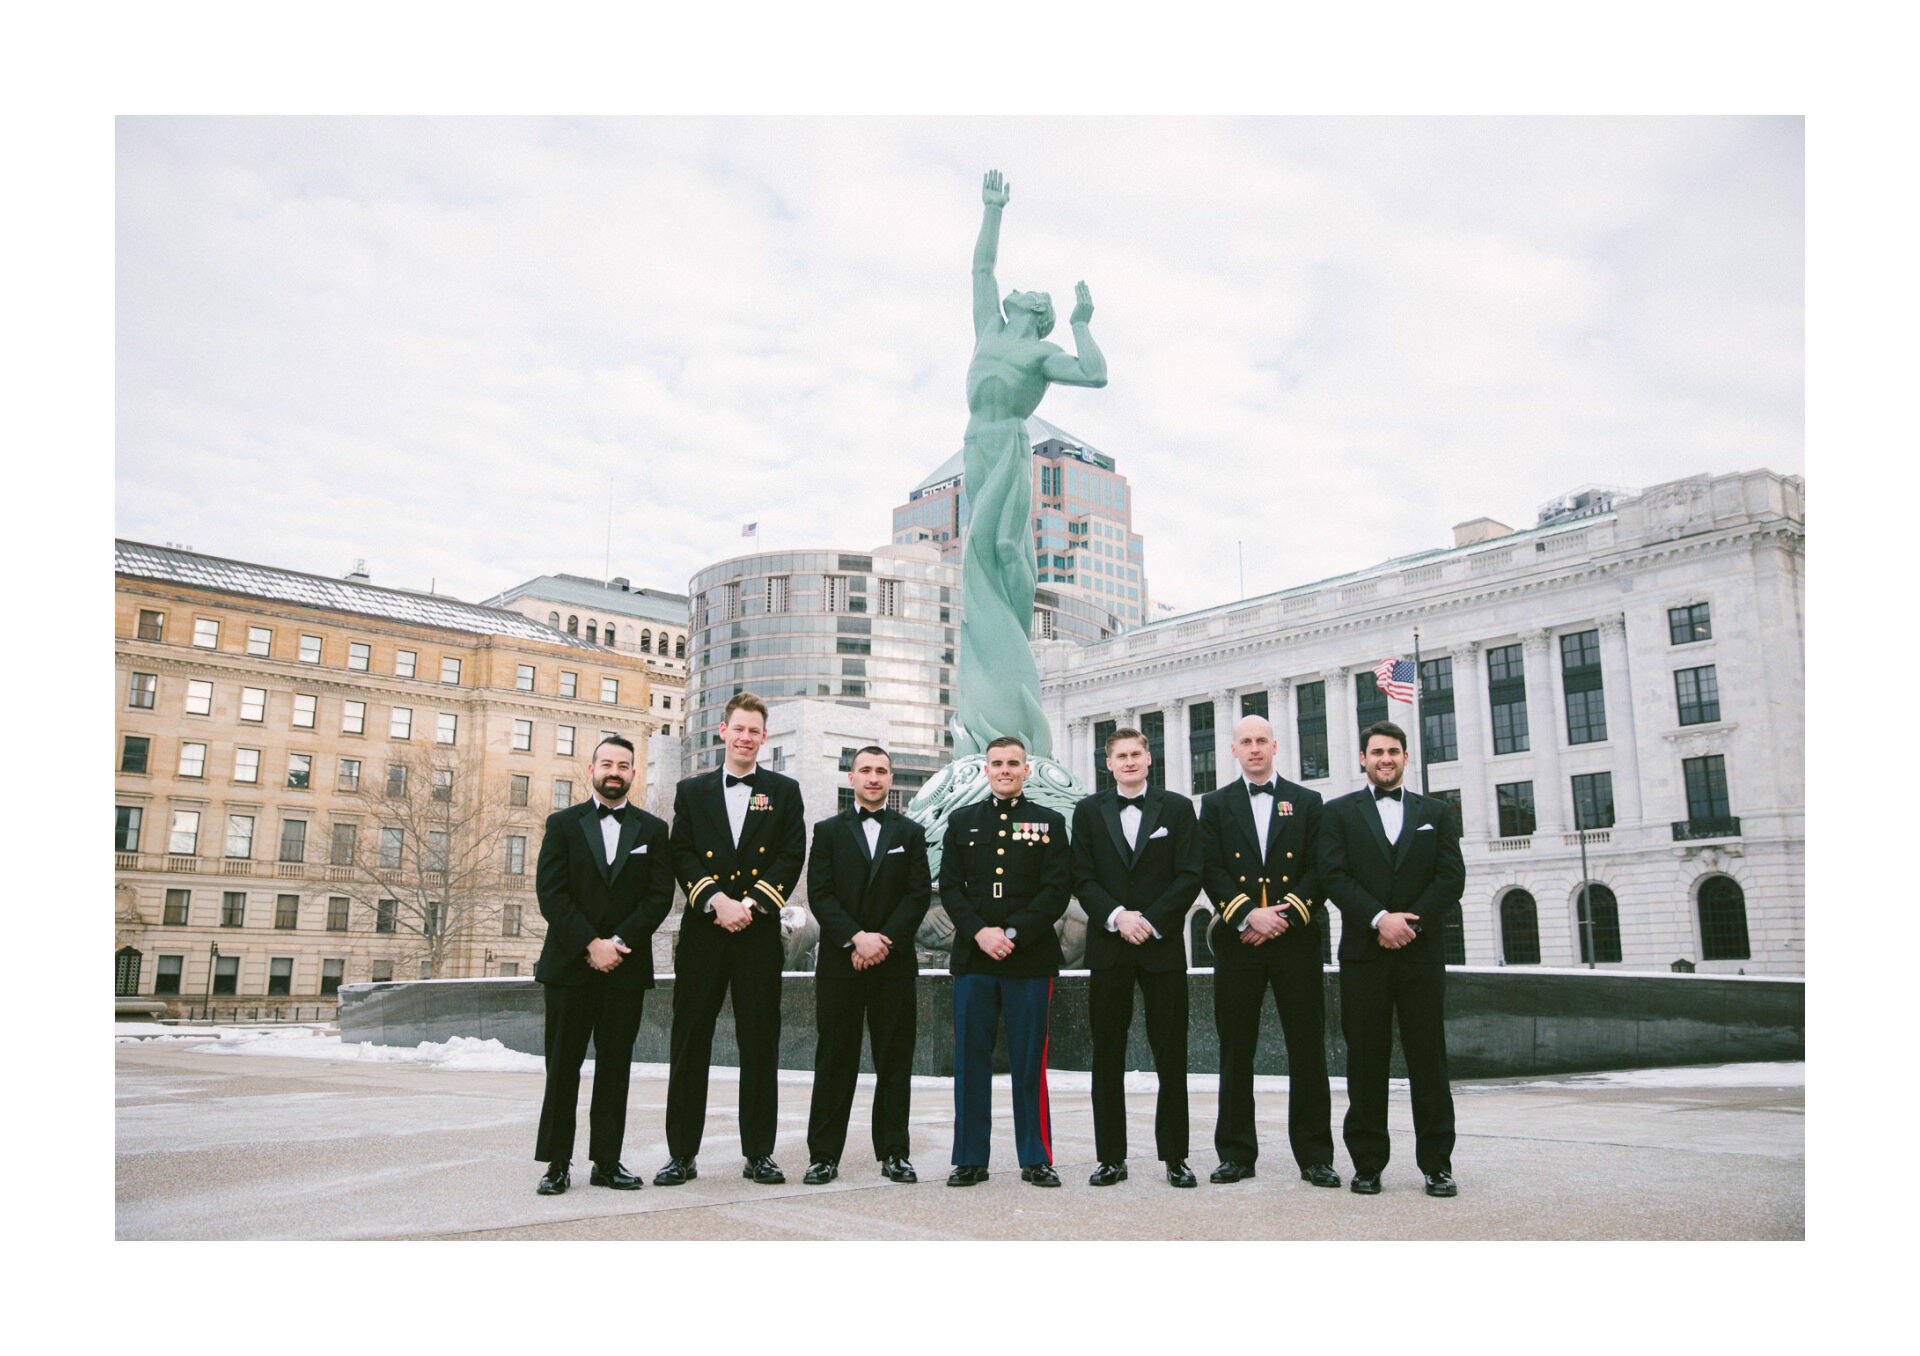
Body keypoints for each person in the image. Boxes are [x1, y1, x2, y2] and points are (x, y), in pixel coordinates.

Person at [952, 169, 1107, 759]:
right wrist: (993, 211)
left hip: (1012, 446)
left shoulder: (1041, 352)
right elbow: (981, 271)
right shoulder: (988, 328)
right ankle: (991, 674)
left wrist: (1082, 324)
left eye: (1036, 297)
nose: (1027, 291)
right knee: (975, 556)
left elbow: (1095, 374)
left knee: (1008, 549)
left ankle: (1016, 637)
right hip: (977, 443)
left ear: (1039, 313)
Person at [657, 692, 806, 1187]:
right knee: (689, 1043)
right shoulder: (691, 791)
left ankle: (759, 1153)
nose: (745, 738)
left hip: (758, 934)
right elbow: (681, 853)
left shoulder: (784, 791)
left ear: (764, 738)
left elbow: (790, 854)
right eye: (738, 729)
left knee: (760, 1045)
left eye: (754, 731)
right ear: (722, 731)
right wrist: (715, 900)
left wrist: (753, 904)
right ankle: (681, 1154)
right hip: (704, 933)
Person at [1318, 720, 1465, 1197]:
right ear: (1363, 758)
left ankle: (1437, 1164)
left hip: (1421, 956)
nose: (1386, 758)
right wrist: (1379, 919)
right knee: (1365, 1062)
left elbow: (1451, 878)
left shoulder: (1437, 813)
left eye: (1394, 751)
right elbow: (1334, 877)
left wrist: (1410, 922)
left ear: (1405, 757)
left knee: (1429, 1061)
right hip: (1364, 955)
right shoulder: (1338, 813)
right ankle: (1367, 1164)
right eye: (1377, 751)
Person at [1196, 715, 1340, 1189]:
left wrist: (1283, 916)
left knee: (1307, 1049)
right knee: (1237, 1050)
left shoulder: (1307, 801)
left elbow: (1321, 868)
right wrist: (1244, 915)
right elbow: (1210, 868)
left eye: (1261, 741)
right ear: (1233, 750)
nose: (1254, 749)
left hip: (1294, 940)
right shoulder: (1215, 805)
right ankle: (1236, 1153)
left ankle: (1316, 1156)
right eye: (1246, 742)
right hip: (1239, 943)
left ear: (1275, 746)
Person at [531, 735, 674, 1195]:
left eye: (624, 765)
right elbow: (551, 894)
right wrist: (590, 943)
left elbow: (658, 897)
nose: (615, 771)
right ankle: (556, 1163)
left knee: (615, 1069)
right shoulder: (562, 824)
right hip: (570, 966)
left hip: (626, 967)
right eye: (607, 763)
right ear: (591, 769)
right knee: (563, 1069)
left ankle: (607, 1162)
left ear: (634, 773)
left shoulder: (653, 831)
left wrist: (617, 942)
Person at [1070, 727, 1202, 1188]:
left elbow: (1190, 874)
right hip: (1109, 949)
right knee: (1107, 1054)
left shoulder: (1179, 809)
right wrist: (1117, 916)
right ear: (1108, 764)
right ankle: (1111, 1157)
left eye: (1136, 754)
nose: (1128, 762)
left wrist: (1150, 920)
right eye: (1120, 756)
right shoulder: (1087, 812)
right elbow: (1081, 877)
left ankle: (1176, 1158)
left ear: (1149, 759)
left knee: (1172, 1055)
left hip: (1161, 948)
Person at [941, 736, 1071, 1187]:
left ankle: (1036, 1157)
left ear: (1026, 770)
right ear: (985, 769)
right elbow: (952, 887)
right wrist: (980, 932)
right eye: (997, 763)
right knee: (970, 1061)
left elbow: (1056, 890)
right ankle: (970, 1158)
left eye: (1013, 763)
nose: (1005, 770)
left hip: (1028, 958)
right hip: (974, 959)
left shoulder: (1049, 822)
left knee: (1029, 1061)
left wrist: (1011, 933)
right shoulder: (961, 821)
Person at [800, 746, 932, 1185]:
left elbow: (917, 896)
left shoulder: (911, 833)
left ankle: (894, 1152)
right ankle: (823, 1155)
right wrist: (857, 938)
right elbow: (820, 893)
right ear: (851, 777)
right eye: (865, 770)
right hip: (842, 964)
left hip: (893, 965)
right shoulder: (827, 831)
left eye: (881, 771)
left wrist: (882, 942)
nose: (874, 778)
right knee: (835, 1060)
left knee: (894, 1060)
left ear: (891, 779)